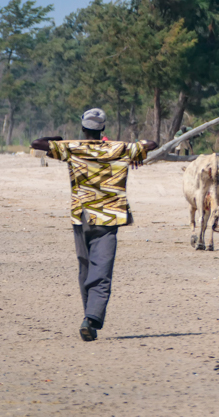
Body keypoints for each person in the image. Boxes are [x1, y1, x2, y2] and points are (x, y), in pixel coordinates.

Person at [31, 108, 157, 341]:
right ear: (103, 130)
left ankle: (89, 315)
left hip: (81, 216)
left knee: (85, 267)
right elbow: (152, 143)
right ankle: (91, 318)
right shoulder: (119, 149)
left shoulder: (71, 148)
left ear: (83, 128)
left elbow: (37, 143)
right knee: (102, 269)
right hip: (108, 217)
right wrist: (133, 147)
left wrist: (58, 140)